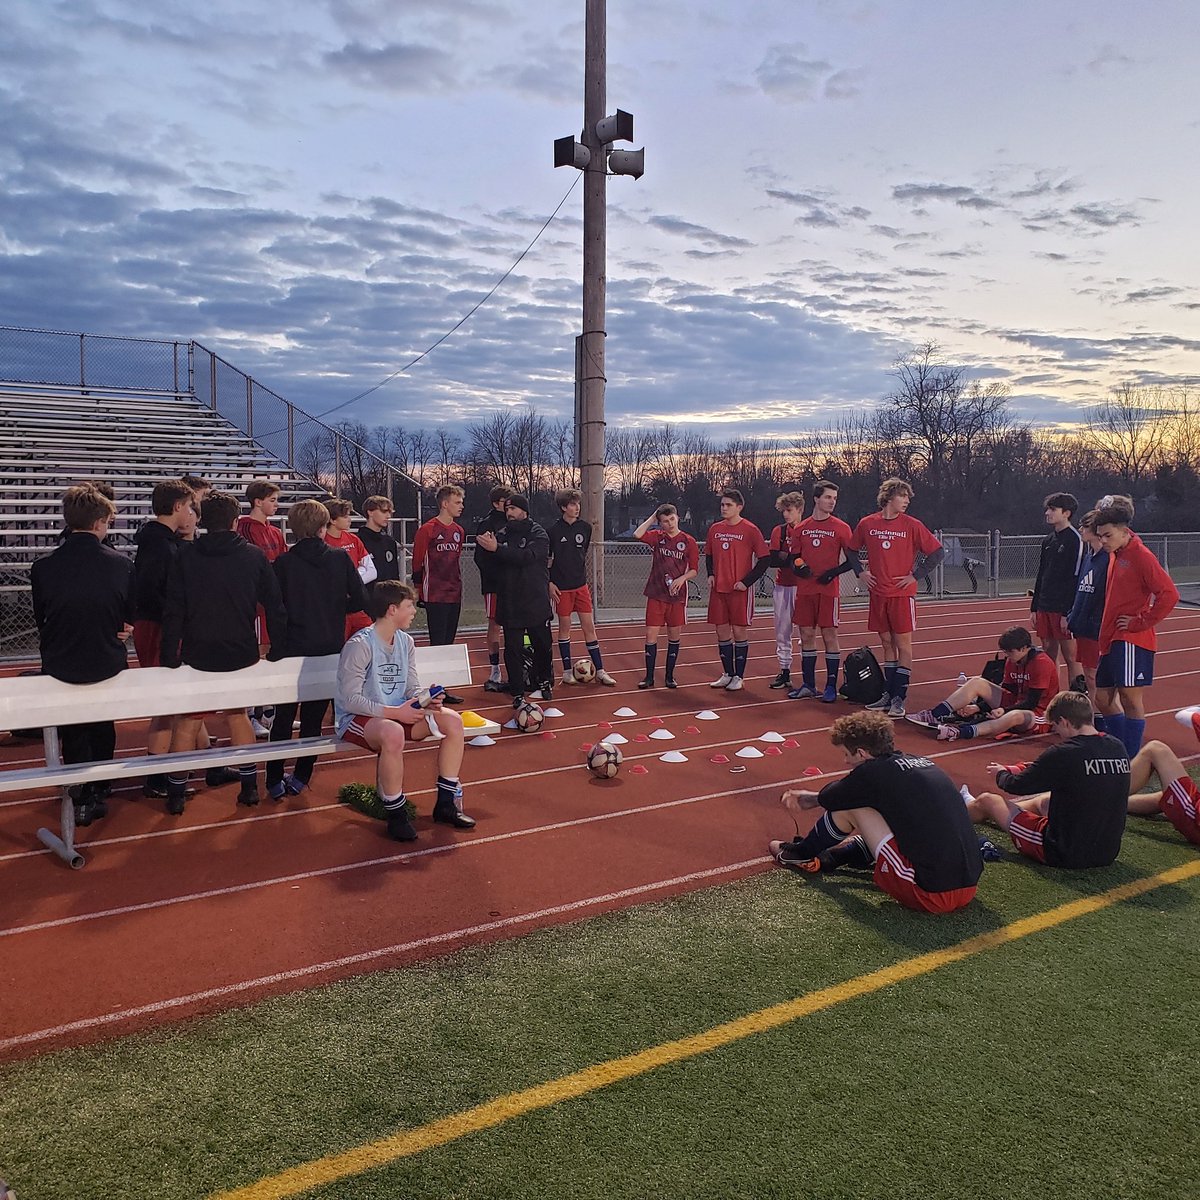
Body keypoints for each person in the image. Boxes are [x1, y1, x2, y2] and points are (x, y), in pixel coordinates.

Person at [769, 711, 982, 914]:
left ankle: (801, 854)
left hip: (931, 893)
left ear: (862, 753)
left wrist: (809, 799)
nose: (845, 761)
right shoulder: (923, 763)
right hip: (969, 886)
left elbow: (833, 798)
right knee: (888, 810)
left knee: (854, 807)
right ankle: (849, 854)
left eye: (846, 754)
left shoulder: (872, 772)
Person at [160, 491, 287, 814]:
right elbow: (274, 605)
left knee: (188, 722)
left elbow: (173, 610)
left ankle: (176, 793)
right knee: (238, 715)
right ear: (234, 521)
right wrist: (279, 649)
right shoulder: (253, 556)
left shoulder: (184, 556)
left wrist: (169, 656)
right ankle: (248, 787)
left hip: (197, 651)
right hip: (240, 651)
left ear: (202, 520)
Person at [334, 580, 474, 841]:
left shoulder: (405, 641)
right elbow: (350, 700)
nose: (414, 611)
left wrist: (426, 697)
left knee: (453, 721)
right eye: (409, 606)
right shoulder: (360, 645)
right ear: (391, 610)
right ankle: (396, 814)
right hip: (358, 719)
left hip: (398, 713)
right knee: (393, 733)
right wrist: (395, 713)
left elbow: (410, 686)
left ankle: (445, 804)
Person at [30, 484, 135, 827]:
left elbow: (41, 617)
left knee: (73, 728)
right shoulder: (120, 563)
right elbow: (128, 613)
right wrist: (123, 628)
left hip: (60, 661)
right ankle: (98, 789)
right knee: (102, 724)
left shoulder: (43, 567)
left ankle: (81, 794)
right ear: (101, 523)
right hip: (105, 659)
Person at [267, 499, 368, 800]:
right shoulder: (339, 559)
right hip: (328, 645)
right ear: (324, 528)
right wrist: (337, 610)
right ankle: (301, 777)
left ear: (294, 529)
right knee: (313, 718)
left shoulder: (283, 563)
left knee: (283, 717)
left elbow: (275, 608)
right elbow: (361, 598)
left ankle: (273, 779)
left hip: (293, 648)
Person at [967, 690, 1129, 868]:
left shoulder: (1065, 752)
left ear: (1065, 722)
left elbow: (1017, 785)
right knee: (1044, 802)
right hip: (1107, 851)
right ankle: (1000, 814)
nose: (1057, 733)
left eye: (1056, 727)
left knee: (989, 801)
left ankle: (958, 816)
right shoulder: (1117, 747)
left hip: (1061, 851)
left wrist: (1000, 774)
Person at [1091, 497, 1179, 757]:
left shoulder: (1140, 556)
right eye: (1100, 536)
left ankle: (1129, 757)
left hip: (1131, 639)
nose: (1103, 541)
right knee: (1102, 699)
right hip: (1110, 637)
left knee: (1130, 698)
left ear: (1124, 530)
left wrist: (1141, 621)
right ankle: (1120, 750)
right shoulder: (1115, 555)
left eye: (1107, 535)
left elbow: (1169, 594)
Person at [848, 478, 943, 719]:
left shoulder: (912, 524)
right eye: (903, 496)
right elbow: (851, 549)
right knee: (886, 643)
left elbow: (937, 552)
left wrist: (915, 576)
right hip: (878, 594)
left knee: (903, 646)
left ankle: (899, 696)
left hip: (901, 595)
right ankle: (887, 694)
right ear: (890, 496)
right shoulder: (867, 523)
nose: (907, 501)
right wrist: (861, 572)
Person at [131, 478, 196, 798]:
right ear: (177, 507)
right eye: (189, 507)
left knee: (174, 704)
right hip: (159, 626)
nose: (191, 513)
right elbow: (158, 591)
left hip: (155, 624)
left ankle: (172, 768)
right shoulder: (161, 545)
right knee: (168, 704)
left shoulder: (158, 540)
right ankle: (157, 776)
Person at [906, 625, 1059, 742]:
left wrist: (1003, 710)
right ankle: (934, 715)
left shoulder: (1041, 663)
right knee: (977, 682)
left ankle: (961, 732)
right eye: (1005, 652)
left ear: (1025, 648)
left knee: (1015, 715)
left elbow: (1031, 702)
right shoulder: (1013, 660)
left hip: (1038, 713)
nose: (1007, 656)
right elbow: (1008, 692)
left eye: (1010, 652)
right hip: (1016, 703)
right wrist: (978, 707)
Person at [473, 494, 554, 705]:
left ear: (524, 511)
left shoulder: (538, 533)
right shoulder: (500, 534)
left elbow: (527, 557)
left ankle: (544, 681)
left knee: (542, 645)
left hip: (535, 598)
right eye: (507, 509)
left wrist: (499, 551)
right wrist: (491, 552)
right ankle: (517, 692)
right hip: (510, 600)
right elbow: (485, 560)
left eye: (514, 509)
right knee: (513, 649)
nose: (509, 513)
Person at [789, 479, 861, 702]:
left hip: (829, 591)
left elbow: (852, 559)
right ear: (816, 499)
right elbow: (794, 558)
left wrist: (834, 572)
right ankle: (808, 684)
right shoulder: (801, 528)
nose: (832, 502)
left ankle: (830, 685)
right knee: (806, 635)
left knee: (829, 635)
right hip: (805, 591)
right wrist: (799, 568)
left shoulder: (841, 527)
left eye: (834, 498)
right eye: (828, 497)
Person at [548, 488, 616, 687]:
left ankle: (601, 670)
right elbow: (548, 561)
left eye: (578, 504)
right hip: (562, 588)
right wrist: (550, 583)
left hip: (580, 586)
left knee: (589, 627)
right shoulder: (552, 531)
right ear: (563, 507)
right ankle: (567, 671)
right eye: (572, 504)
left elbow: (582, 554)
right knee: (565, 628)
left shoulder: (585, 528)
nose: (576, 508)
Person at [703, 488, 769, 692]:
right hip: (719, 589)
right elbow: (709, 554)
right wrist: (711, 574)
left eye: (728, 505)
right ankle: (727, 673)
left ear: (739, 507)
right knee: (721, 631)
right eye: (722, 504)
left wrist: (746, 582)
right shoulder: (715, 529)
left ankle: (739, 676)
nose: (724, 508)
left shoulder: (750, 529)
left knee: (739, 631)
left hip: (739, 590)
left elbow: (764, 559)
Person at [742, 491, 808, 691]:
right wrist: (794, 560)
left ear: (800, 510)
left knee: (806, 633)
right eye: (784, 511)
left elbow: (808, 560)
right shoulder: (779, 531)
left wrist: (789, 558)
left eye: (789, 510)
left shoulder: (808, 530)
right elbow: (773, 559)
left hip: (804, 587)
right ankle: (784, 671)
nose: (786, 515)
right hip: (783, 585)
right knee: (782, 631)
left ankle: (808, 676)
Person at [237, 480, 288, 736]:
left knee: (269, 655)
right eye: (272, 500)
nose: (276, 505)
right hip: (254, 603)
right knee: (255, 656)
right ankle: (250, 714)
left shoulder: (275, 532)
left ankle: (267, 711)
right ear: (258, 501)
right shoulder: (245, 527)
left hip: (270, 602)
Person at [633, 504, 699, 689]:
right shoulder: (657, 537)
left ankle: (670, 676)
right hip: (656, 593)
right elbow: (637, 535)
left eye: (672, 519)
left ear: (677, 517)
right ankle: (649, 677)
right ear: (660, 523)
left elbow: (694, 570)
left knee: (673, 636)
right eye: (665, 521)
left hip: (676, 597)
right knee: (650, 636)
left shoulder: (688, 541)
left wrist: (682, 579)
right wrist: (652, 518)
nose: (669, 524)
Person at [1030, 492, 1085, 693]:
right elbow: (1041, 574)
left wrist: (1066, 613)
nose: (1047, 513)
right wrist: (1034, 607)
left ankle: (1076, 697)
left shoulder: (1075, 540)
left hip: (1063, 608)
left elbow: (1075, 577)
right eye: (1048, 509)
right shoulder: (1049, 540)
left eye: (1053, 509)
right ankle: (1050, 696)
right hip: (1045, 605)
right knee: (1048, 653)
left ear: (1067, 513)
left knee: (1071, 656)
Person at [1066, 508, 1110, 724]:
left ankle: (1099, 718)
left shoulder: (1107, 559)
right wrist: (1073, 615)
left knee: (1095, 676)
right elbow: (1081, 589)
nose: (1081, 530)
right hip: (1082, 625)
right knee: (1088, 675)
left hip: (1096, 627)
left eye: (1085, 526)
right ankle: (1094, 716)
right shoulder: (1089, 556)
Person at [1125, 733, 1200, 847]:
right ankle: (1114, 804)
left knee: (1156, 750)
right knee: (1166, 797)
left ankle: (1104, 797)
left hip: (1195, 817)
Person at [474, 484, 513, 692]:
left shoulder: (515, 521)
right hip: (494, 584)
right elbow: (480, 557)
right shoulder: (486, 524)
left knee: (515, 626)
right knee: (495, 625)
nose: (509, 508)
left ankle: (517, 667)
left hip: (515, 584)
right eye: (505, 504)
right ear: (496, 503)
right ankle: (495, 667)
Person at [323, 498, 376, 641]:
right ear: (333, 520)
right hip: (335, 608)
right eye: (345, 516)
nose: (349, 520)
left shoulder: (353, 539)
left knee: (370, 640)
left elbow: (371, 571)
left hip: (356, 605)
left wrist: (350, 582)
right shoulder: (323, 542)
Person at [358, 495, 403, 592]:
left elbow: (394, 573)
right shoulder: (358, 541)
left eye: (389, 512)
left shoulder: (389, 541)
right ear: (370, 512)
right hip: (366, 599)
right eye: (384, 511)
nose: (388, 516)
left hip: (388, 598)